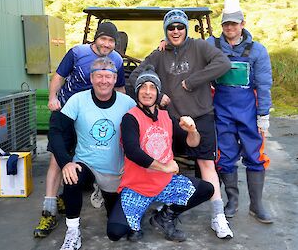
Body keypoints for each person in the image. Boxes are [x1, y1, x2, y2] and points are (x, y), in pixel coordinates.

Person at [129, 9, 233, 239]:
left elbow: (223, 63)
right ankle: (167, 211)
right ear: (165, 31)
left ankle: (218, 217)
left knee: (206, 165)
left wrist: (193, 81)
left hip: (201, 116)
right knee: (167, 165)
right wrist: (159, 93)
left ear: (186, 28)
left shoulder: (200, 47)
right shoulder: (158, 54)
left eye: (179, 26)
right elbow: (135, 77)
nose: (175, 31)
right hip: (172, 121)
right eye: (171, 27)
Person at [33, 22, 126, 238]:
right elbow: (59, 76)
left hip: (93, 114)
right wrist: (52, 98)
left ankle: (90, 190)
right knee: (59, 159)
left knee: (94, 152)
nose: (107, 44)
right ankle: (49, 209)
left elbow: (120, 87)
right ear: (95, 38)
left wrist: (127, 112)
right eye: (103, 39)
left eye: (111, 41)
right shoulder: (77, 52)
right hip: (68, 109)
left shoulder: (117, 60)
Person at [107, 65, 214, 242]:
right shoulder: (130, 118)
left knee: (206, 189)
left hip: (165, 183)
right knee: (116, 232)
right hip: (137, 187)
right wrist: (164, 167)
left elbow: (192, 144)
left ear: (158, 92)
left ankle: (164, 216)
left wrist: (192, 130)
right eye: (143, 87)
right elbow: (133, 152)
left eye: (152, 87)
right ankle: (138, 214)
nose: (147, 92)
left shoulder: (166, 117)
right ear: (137, 91)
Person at [48, 57, 135, 250]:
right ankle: (72, 232)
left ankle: (104, 193)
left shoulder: (128, 103)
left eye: (108, 77)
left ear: (115, 80)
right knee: (72, 177)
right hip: (85, 164)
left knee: (117, 231)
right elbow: (56, 130)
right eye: (99, 76)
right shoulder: (78, 100)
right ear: (91, 78)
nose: (103, 81)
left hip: (115, 171)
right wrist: (65, 163)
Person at [207, 0, 273, 223]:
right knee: (225, 156)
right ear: (222, 25)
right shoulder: (211, 45)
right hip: (221, 109)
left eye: (234, 23)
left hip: (249, 110)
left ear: (242, 24)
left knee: (255, 156)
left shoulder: (258, 50)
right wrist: (165, 45)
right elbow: (190, 50)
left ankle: (256, 205)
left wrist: (263, 115)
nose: (230, 28)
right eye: (226, 24)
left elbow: (264, 84)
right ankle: (232, 201)